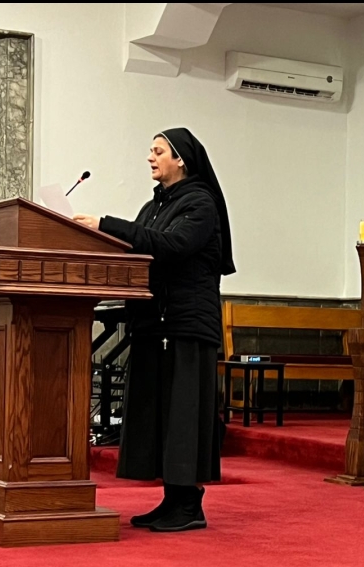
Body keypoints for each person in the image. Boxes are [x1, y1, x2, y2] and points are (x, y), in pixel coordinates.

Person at [74, 128, 235, 531]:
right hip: (154, 323)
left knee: (182, 416)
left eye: (158, 151)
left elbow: (172, 245)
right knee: (160, 416)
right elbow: (136, 247)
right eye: (151, 150)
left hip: (186, 326)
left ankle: (189, 504)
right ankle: (172, 499)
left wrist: (106, 223)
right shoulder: (154, 206)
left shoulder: (201, 203)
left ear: (181, 159)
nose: (150, 157)